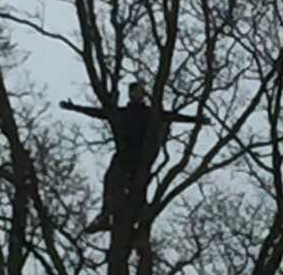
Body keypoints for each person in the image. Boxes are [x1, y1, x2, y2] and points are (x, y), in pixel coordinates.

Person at [59, 82, 209, 233]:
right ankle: (106, 216)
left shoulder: (150, 113)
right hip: (124, 154)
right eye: (135, 92)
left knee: (137, 188)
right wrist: (76, 107)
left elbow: (172, 116)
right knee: (111, 181)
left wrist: (196, 119)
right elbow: (100, 112)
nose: (137, 95)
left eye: (140, 92)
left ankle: (138, 220)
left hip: (141, 157)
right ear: (130, 94)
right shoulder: (123, 112)